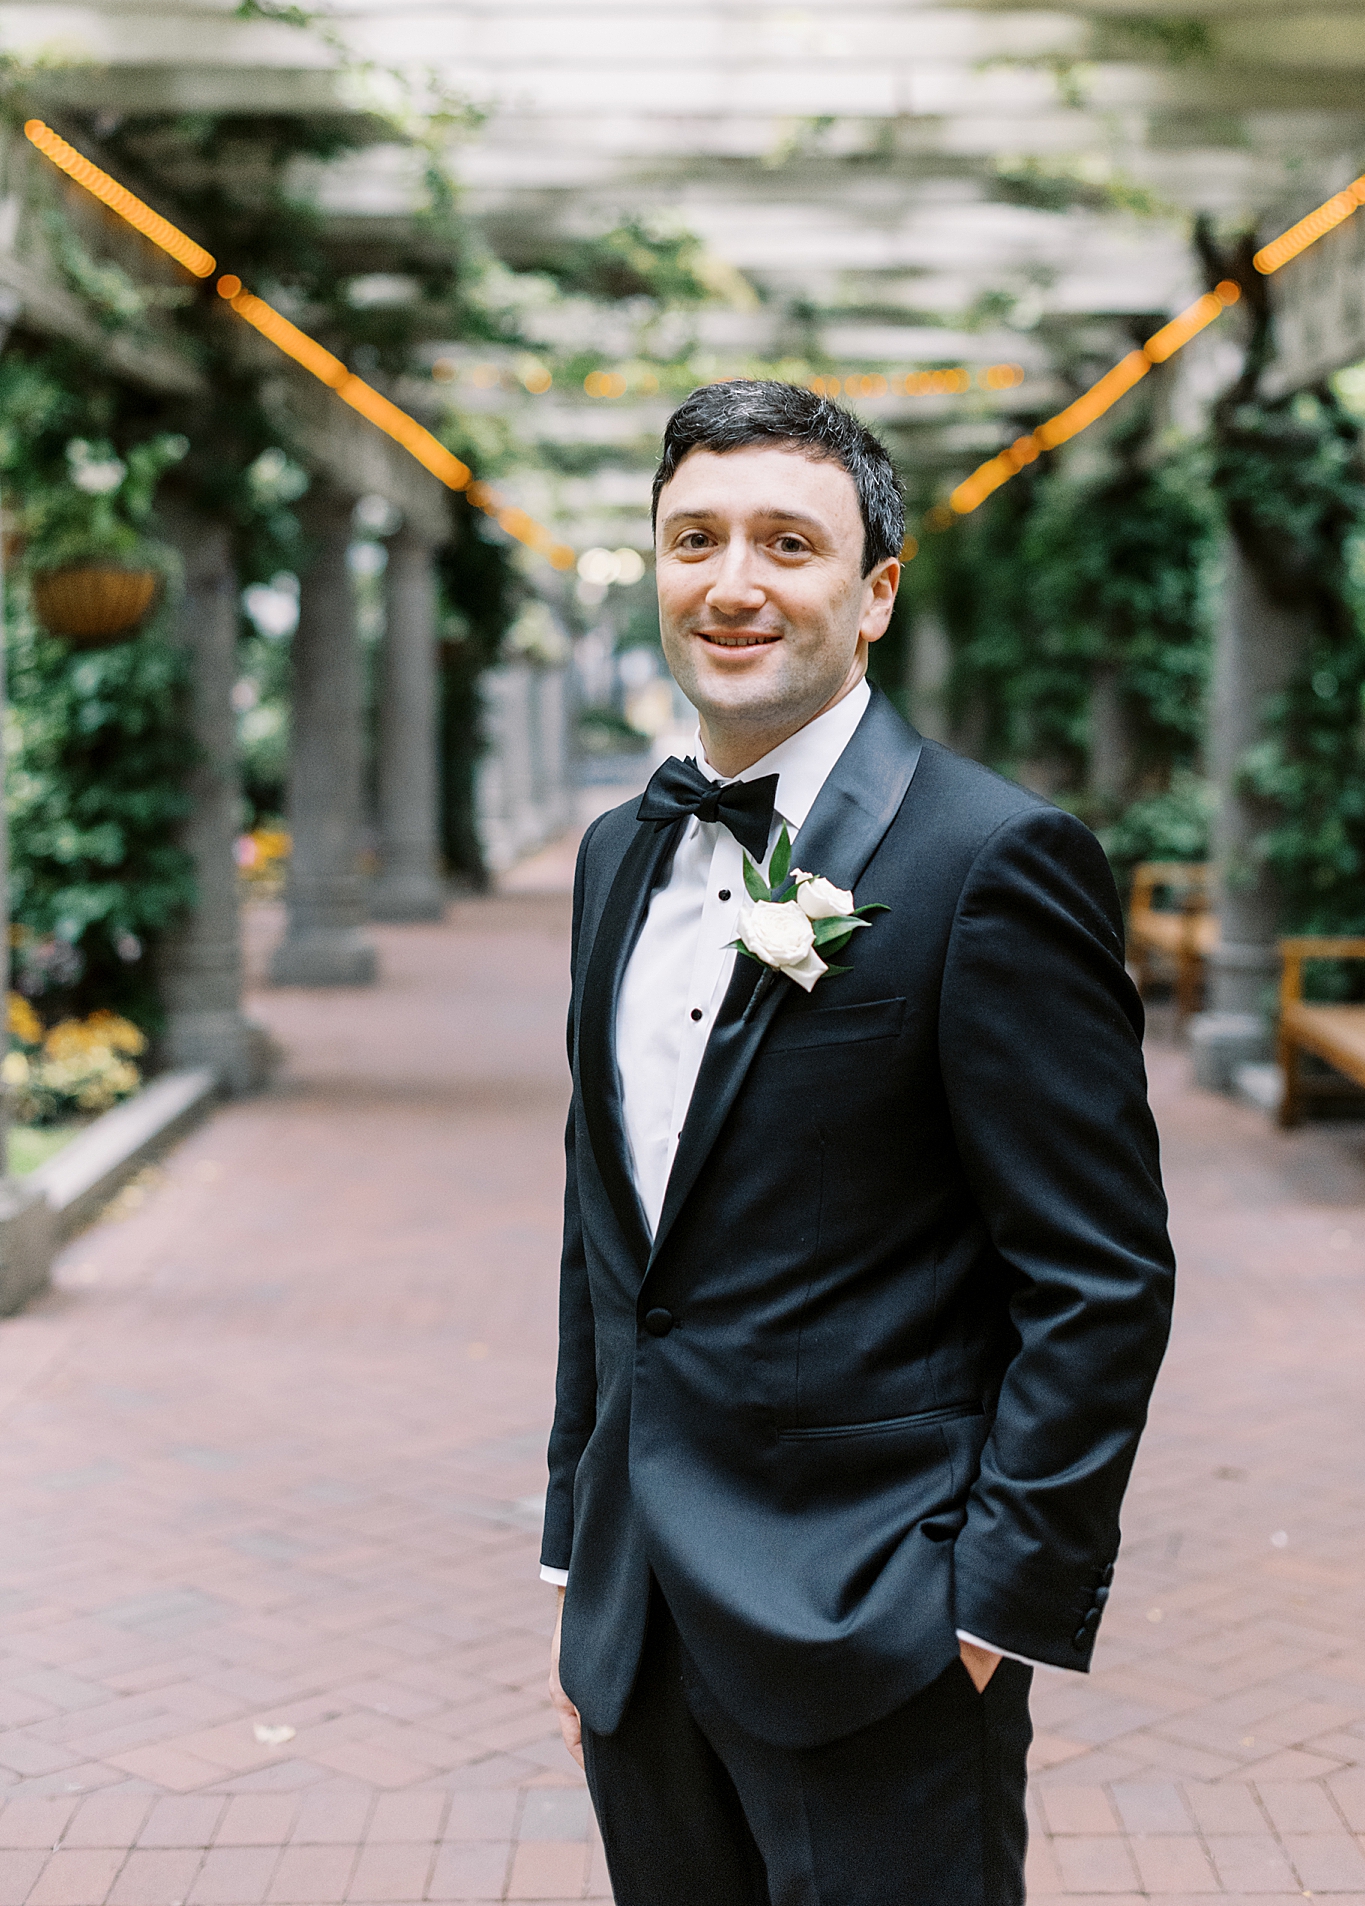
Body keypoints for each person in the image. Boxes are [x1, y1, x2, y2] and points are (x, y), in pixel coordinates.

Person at [541, 380, 1173, 1906]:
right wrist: (579, 1566)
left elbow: (1098, 1274)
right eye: (694, 537)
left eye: (786, 542)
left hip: (879, 1625)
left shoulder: (992, 859)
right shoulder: (620, 853)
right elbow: (609, 1239)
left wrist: (982, 1612)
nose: (734, 581)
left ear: (875, 590)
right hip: (641, 1626)